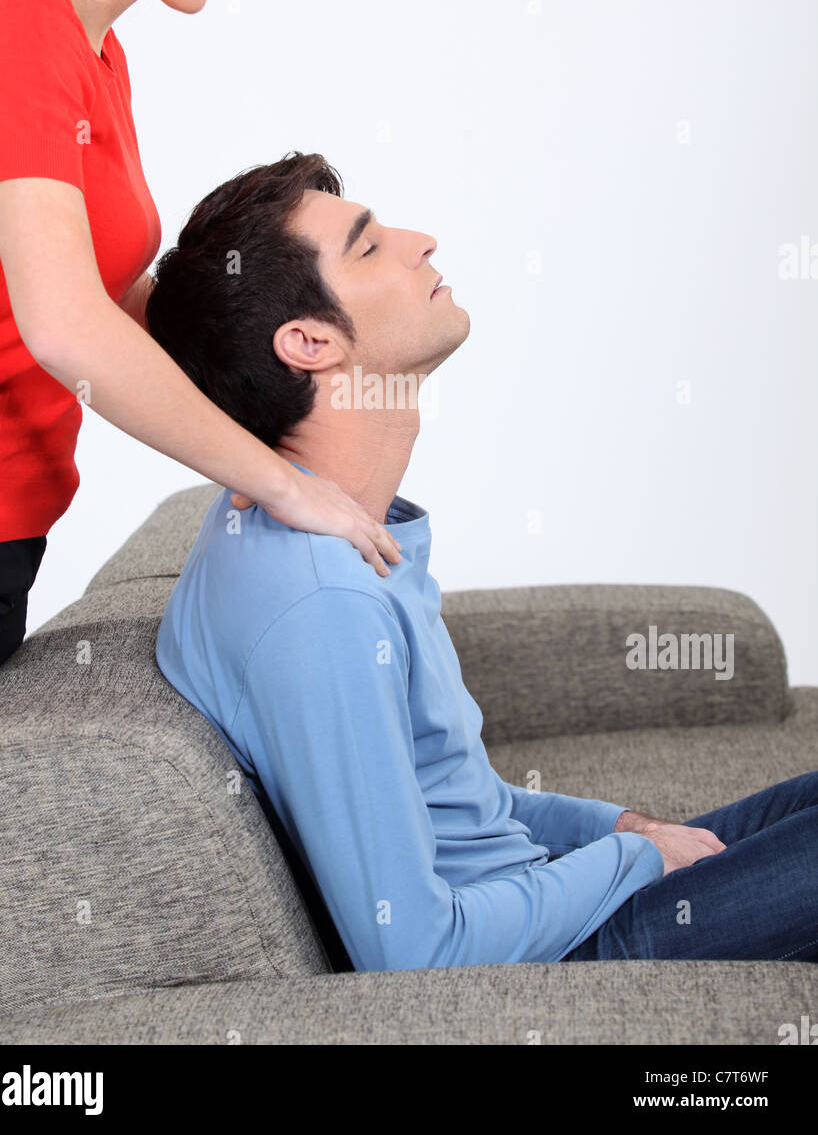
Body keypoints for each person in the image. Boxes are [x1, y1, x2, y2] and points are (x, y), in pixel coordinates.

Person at [146, 147, 818, 969]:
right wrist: (636, 862)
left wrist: (617, 829)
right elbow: (416, 955)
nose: (421, 240)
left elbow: (464, 806)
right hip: (566, 962)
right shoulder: (322, 604)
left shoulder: (337, 527)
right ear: (310, 343)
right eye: (369, 246)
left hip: (553, 895)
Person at [0, 0, 402, 713]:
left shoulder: (92, 48)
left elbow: (123, 300)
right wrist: (281, 487)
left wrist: (309, 388)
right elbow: (68, 326)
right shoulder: (14, 25)